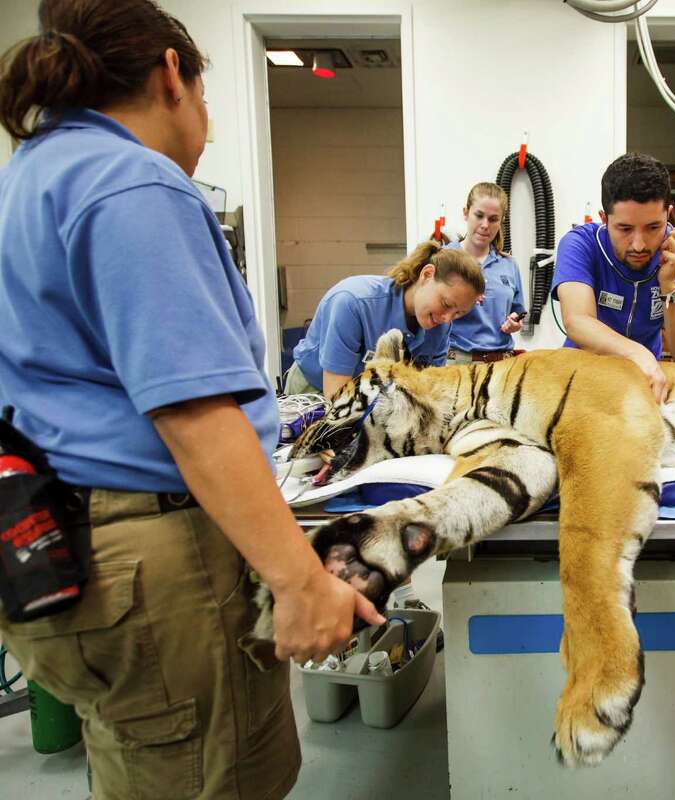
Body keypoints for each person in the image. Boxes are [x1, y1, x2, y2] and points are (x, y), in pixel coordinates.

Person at [0, 2, 386, 798]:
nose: (205, 116)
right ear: (172, 73)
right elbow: (194, 414)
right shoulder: (134, 185)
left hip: (60, 538)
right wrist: (300, 582)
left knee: (141, 771)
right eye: (206, 94)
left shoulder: (33, 174)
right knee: (220, 778)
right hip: (155, 563)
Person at [552, 152, 675, 402]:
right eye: (625, 229)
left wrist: (669, 285)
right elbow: (578, 321)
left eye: (653, 228)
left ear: (668, 214)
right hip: (581, 381)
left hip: (645, 386)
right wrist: (638, 355)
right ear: (604, 219)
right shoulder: (580, 244)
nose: (638, 244)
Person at [284, 240, 485, 397]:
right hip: (316, 391)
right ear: (427, 275)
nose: (447, 318)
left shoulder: (439, 327)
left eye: (458, 313)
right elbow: (336, 396)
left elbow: (430, 390)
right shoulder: (352, 302)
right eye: (447, 304)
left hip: (371, 397)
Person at [445, 181, 526, 364]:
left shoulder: (509, 265)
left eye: (493, 219)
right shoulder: (444, 260)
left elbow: (518, 312)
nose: (484, 225)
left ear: (501, 220)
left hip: (501, 366)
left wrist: (515, 322)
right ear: (466, 213)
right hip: (457, 365)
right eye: (479, 216)